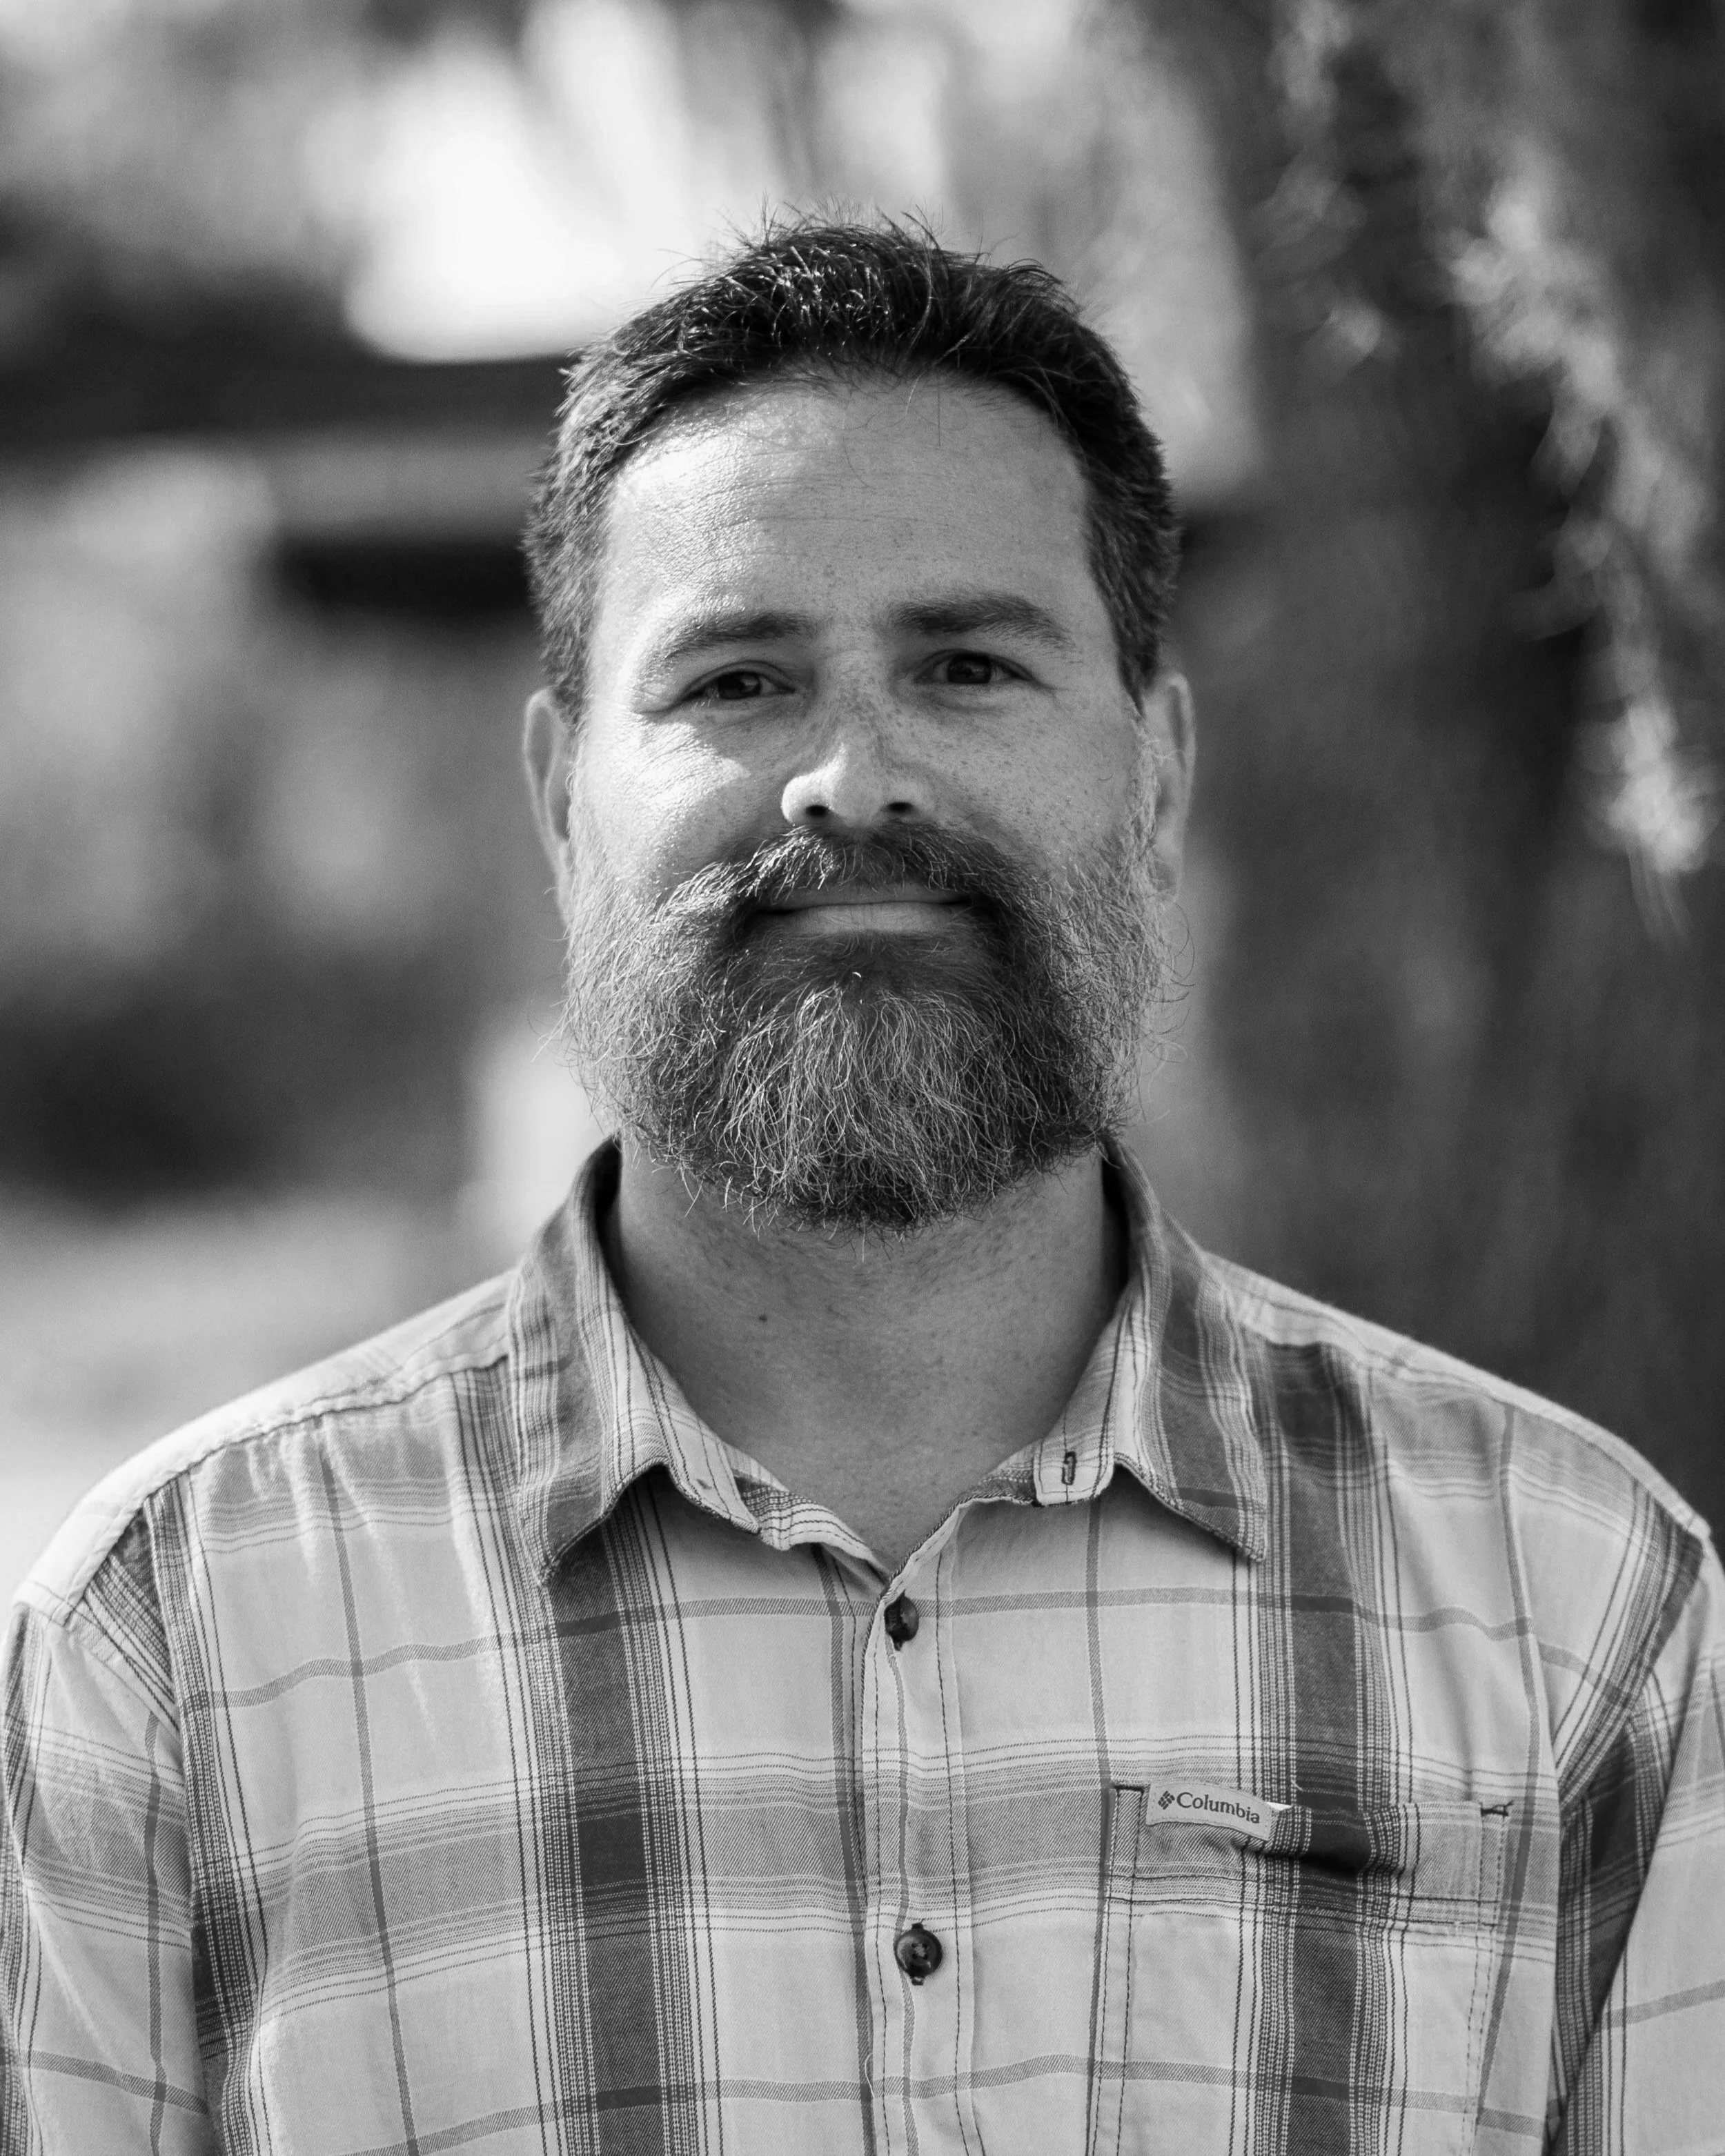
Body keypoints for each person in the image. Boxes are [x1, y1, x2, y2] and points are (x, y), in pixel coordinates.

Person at [3, 219, 1720, 2156]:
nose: (851, 777)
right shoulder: (182, 1639)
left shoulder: (1574, 1605)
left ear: (1153, 779)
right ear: (563, 797)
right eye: (737, 676)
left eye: (969, 663)